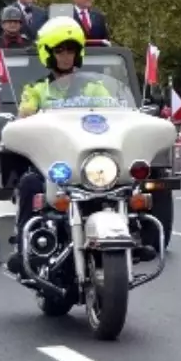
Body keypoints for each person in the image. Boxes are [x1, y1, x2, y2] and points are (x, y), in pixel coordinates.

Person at [9, 19, 123, 276]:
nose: (65, 56)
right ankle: (25, 249)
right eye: (60, 51)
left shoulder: (95, 87)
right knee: (29, 183)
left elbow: (114, 112)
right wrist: (26, 117)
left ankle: (135, 238)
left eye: (70, 50)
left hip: (87, 163)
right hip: (51, 165)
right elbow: (24, 116)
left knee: (128, 189)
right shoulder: (36, 90)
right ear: (49, 54)